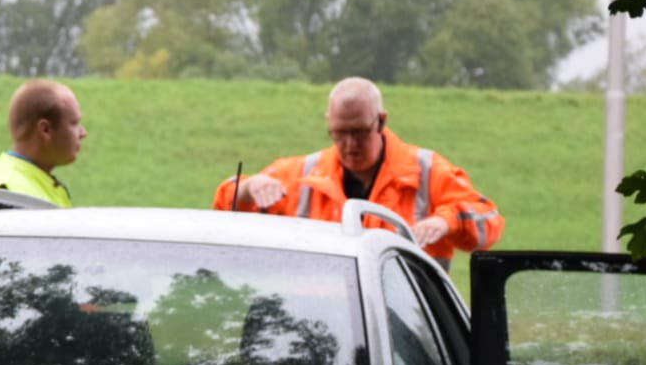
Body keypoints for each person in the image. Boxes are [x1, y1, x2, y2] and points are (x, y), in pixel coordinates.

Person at [213, 77, 503, 264]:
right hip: (311, 325)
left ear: (381, 121)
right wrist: (249, 189)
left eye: (359, 132)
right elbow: (224, 214)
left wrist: (446, 222)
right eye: (339, 133)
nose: (350, 144)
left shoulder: (428, 171)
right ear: (329, 123)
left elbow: (489, 222)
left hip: (403, 326)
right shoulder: (303, 175)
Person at [0, 80, 85, 208]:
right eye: (74, 123)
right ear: (45, 130)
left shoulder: (30, 179)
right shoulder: (9, 193)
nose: (83, 133)